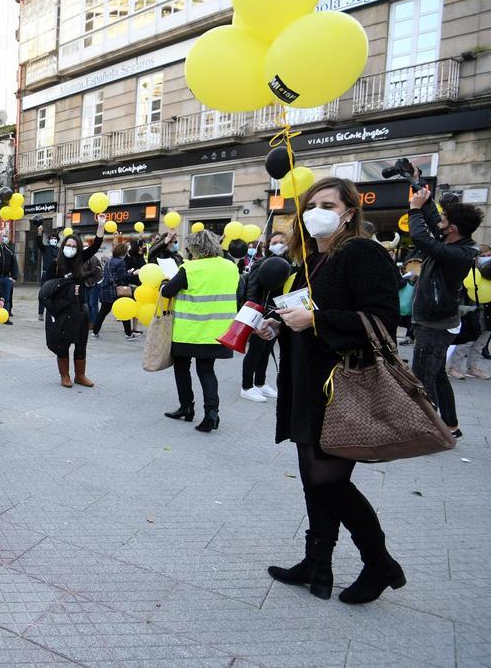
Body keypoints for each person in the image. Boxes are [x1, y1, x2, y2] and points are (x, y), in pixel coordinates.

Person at [257, 176, 405, 605]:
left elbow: (381, 322)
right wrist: (279, 324)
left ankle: (379, 565)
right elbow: (309, 313)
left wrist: (316, 322)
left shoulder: (361, 252)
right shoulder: (313, 262)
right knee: (312, 480)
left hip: (341, 389)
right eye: (310, 204)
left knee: (328, 482)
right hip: (307, 385)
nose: (315, 211)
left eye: (326, 203)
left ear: (348, 213)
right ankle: (317, 565)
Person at [408, 187, 481, 439]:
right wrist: (420, 187)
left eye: (445, 220)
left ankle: (427, 430)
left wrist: (414, 209)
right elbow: (432, 221)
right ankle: (450, 425)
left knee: (423, 377)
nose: (439, 221)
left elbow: (421, 238)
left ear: (452, 229)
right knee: (437, 375)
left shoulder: (458, 253)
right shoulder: (454, 241)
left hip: (435, 325)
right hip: (437, 321)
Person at [160, 229, 238, 432]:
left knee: (182, 368)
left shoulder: (190, 268)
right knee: (206, 370)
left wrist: (164, 282)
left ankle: (186, 407)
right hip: (217, 331)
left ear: (195, 248)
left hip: (189, 330)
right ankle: (212, 413)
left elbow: (168, 292)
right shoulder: (230, 267)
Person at [45, 228, 103, 387]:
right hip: (63, 310)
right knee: (63, 343)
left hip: (80, 309)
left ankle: (80, 375)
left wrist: (101, 225)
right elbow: (45, 290)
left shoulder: (80, 261)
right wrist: (54, 311)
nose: (70, 248)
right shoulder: (55, 265)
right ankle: (65, 376)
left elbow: (96, 246)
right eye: (68, 245)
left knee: (81, 343)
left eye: (73, 246)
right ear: (63, 246)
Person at [239, 231, 288, 403]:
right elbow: (252, 292)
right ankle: (246, 386)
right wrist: (255, 320)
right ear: (268, 245)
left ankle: (260, 383)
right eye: (275, 241)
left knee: (267, 351)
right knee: (255, 351)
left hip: (277, 313)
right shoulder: (261, 264)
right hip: (262, 313)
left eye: (283, 241)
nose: (279, 244)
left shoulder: (288, 264)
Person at [447, 243, 491, 380]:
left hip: (488, 311)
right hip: (473, 309)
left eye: (489, 256)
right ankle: (454, 367)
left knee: (481, 342)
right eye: (484, 256)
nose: (487, 258)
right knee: (467, 341)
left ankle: (473, 367)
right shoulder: (470, 270)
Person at [93, 242, 141, 339]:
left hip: (106, 290)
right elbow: (122, 277)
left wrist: (126, 272)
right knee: (124, 311)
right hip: (117, 291)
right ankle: (128, 334)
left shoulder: (109, 261)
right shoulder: (120, 262)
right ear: (123, 252)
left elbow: (114, 274)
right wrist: (133, 273)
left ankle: (95, 332)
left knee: (102, 313)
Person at [0, 230, 18, 322]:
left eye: (6, 236)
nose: (6, 238)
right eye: (4, 236)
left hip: (6, 277)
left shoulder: (8, 250)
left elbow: (14, 264)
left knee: (6, 298)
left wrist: (14, 277)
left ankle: (5, 317)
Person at [35, 226, 58, 319]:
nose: (53, 240)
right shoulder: (46, 249)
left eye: (55, 238)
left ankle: (53, 311)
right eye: (51, 238)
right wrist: (39, 233)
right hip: (46, 274)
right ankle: (41, 313)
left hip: (56, 275)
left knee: (55, 294)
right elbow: (39, 243)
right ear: (49, 240)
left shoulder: (59, 250)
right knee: (43, 293)